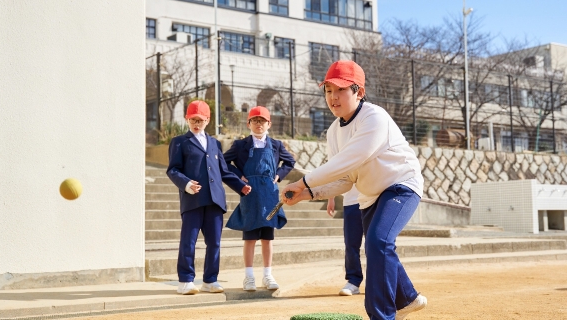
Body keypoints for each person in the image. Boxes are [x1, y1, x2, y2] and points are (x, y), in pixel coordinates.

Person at [282, 60, 427, 320]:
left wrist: (304, 182)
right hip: (370, 194)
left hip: (401, 185)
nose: (333, 97)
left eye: (340, 89)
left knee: (378, 241)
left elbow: (349, 160)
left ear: (359, 92)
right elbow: (346, 179)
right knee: (378, 245)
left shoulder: (374, 117)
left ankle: (381, 315)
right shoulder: (333, 131)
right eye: (328, 90)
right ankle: (408, 298)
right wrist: (310, 194)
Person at [167, 100, 251, 295]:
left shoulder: (215, 143)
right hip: (192, 199)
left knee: (214, 242)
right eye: (192, 119)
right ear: (187, 119)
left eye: (200, 120)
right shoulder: (180, 142)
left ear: (208, 120)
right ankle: (186, 280)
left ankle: (210, 280)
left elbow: (223, 170)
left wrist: (240, 186)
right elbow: (173, 170)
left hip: (215, 200)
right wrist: (186, 184)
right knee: (188, 240)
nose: (196, 123)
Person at [224, 106, 296, 292]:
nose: (258, 124)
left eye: (262, 121)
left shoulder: (277, 145)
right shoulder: (240, 145)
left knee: (267, 237)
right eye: (255, 120)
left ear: (269, 124)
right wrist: (239, 176)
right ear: (248, 123)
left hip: (270, 194)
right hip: (249, 194)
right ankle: (248, 277)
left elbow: (290, 162)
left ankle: (267, 275)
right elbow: (223, 162)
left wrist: (278, 176)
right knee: (249, 237)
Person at [327, 185, 364, 296]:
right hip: (351, 202)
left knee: (375, 244)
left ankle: (377, 282)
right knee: (351, 244)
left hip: (375, 201)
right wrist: (331, 198)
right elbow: (334, 173)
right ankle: (353, 281)